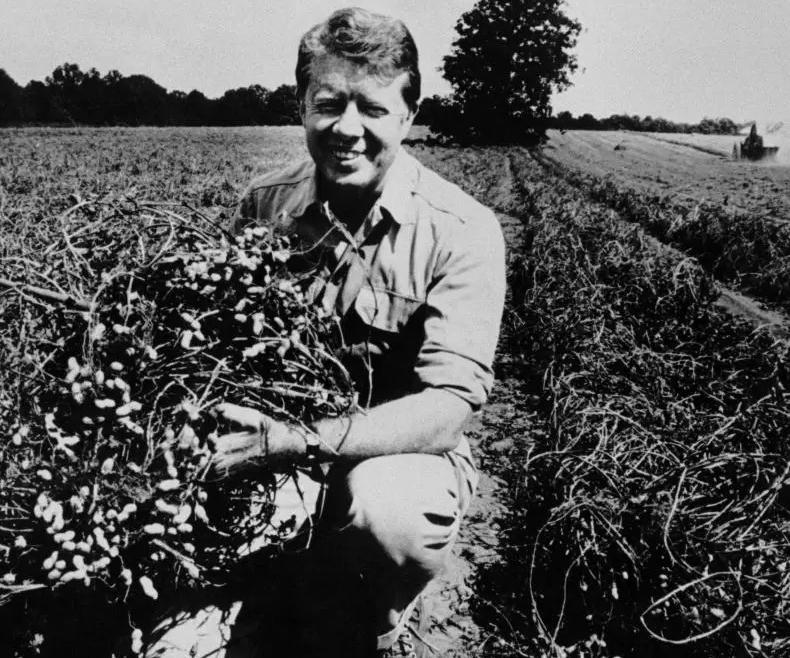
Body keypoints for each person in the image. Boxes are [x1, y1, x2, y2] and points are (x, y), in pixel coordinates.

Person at [157, 7, 505, 657]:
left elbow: (447, 409)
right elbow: (222, 347)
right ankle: (245, 595)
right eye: (328, 104)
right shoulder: (267, 204)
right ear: (302, 107)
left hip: (396, 457)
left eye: (372, 108)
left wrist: (297, 442)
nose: (348, 129)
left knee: (387, 505)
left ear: (408, 111)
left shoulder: (463, 230)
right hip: (274, 443)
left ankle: (363, 621)